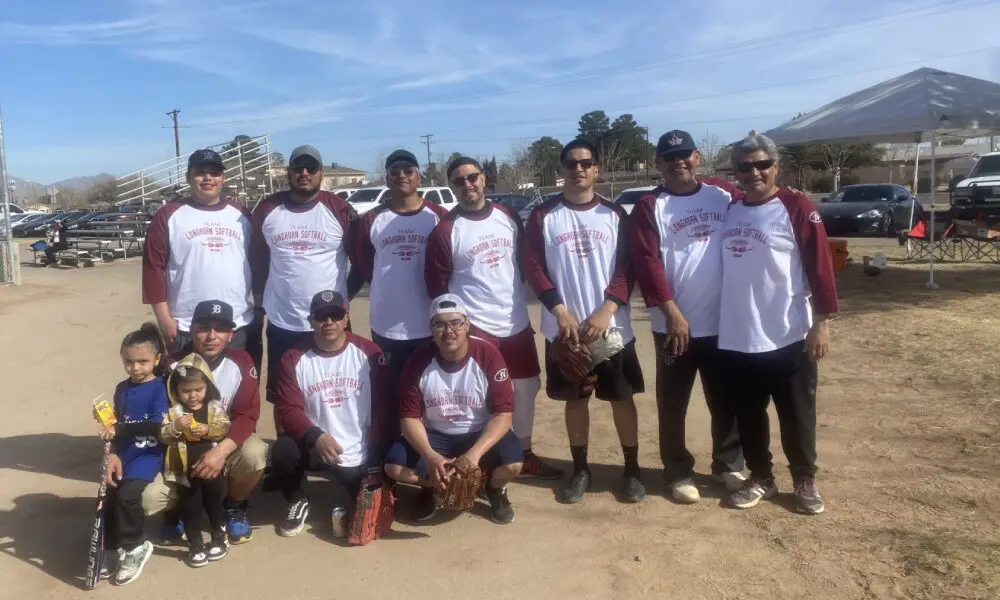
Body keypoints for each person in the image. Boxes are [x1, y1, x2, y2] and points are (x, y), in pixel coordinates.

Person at [719, 133, 838, 515]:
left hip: (788, 333)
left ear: (776, 166)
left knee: (796, 414)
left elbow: (820, 266)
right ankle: (761, 477)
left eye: (761, 164)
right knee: (749, 414)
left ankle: (804, 478)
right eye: (744, 166)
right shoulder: (732, 208)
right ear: (735, 171)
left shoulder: (796, 206)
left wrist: (821, 322)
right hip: (741, 332)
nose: (754, 172)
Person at [522, 139, 645, 505]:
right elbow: (533, 266)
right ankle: (581, 470)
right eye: (571, 164)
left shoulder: (614, 214)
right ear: (561, 170)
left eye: (586, 163)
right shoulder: (543, 215)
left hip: (610, 327)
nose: (579, 169)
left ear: (596, 169)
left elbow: (628, 266)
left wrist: (608, 308)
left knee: (621, 399)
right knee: (575, 400)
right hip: (566, 331)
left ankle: (633, 470)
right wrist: (559, 311)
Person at [424, 155, 562, 480]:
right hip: (477, 328)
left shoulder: (508, 216)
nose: (467, 185)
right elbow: (436, 286)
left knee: (526, 388)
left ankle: (524, 454)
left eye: (472, 177)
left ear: (484, 178)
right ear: (452, 187)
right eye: (459, 181)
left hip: (514, 322)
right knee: (480, 397)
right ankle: (480, 459)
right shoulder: (447, 229)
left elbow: (522, 265)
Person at [630, 130, 745, 504]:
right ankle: (677, 470)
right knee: (673, 402)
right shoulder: (651, 206)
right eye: (669, 156)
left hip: (721, 323)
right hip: (673, 326)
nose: (678, 161)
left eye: (684, 154)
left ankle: (728, 464)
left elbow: (759, 212)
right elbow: (647, 264)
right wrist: (671, 311)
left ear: (697, 156)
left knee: (726, 399)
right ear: (658, 163)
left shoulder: (723, 194)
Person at [384, 294, 523, 524]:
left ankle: (492, 489)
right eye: (439, 324)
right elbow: (409, 418)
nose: (448, 331)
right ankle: (432, 487)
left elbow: (503, 416)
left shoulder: (488, 355)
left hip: (478, 432)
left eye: (455, 323)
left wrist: (472, 456)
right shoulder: (418, 360)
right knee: (393, 467)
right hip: (435, 434)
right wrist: (430, 457)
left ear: (467, 325)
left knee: (513, 465)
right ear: (431, 329)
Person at [251, 145, 362, 413]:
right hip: (282, 321)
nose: (304, 173)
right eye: (297, 168)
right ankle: (286, 452)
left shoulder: (339, 210)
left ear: (321, 173)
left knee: (335, 392)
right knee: (283, 396)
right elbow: (256, 258)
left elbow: (362, 262)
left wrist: (343, 298)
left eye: (311, 168)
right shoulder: (267, 209)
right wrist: (258, 301)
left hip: (329, 321)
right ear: (288, 172)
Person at [144, 300, 265, 546]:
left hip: (222, 439)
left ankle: (234, 506)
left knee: (255, 453)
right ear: (191, 330)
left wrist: (219, 452)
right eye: (203, 327)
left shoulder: (242, 362)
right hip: (181, 449)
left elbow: (247, 416)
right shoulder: (171, 365)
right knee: (149, 499)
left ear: (231, 334)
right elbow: (157, 417)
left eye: (220, 328)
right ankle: (176, 510)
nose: (212, 336)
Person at [271, 290, 389, 538]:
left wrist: (376, 455)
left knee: (368, 516)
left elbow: (384, 405)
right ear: (311, 320)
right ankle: (297, 499)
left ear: (346, 317)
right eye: (321, 316)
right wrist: (317, 436)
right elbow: (288, 409)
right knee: (283, 450)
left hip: (359, 448)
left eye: (335, 315)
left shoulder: (369, 352)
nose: (328, 322)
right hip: (316, 445)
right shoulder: (293, 358)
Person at [351, 149, 448, 435]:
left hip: (430, 324)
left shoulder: (437, 217)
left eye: (408, 170)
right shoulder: (372, 220)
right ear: (387, 178)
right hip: (387, 325)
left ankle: (429, 449)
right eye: (395, 172)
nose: (402, 176)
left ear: (419, 175)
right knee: (390, 393)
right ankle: (392, 449)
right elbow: (364, 266)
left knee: (431, 391)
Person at [143, 149, 255, 353]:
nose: (208, 178)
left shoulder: (241, 215)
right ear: (188, 177)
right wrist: (164, 319)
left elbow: (257, 263)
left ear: (223, 178)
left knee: (239, 385)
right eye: (200, 172)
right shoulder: (168, 215)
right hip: (186, 327)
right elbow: (153, 269)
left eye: (214, 172)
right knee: (188, 386)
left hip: (236, 325)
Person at [100, 323, 170, 586]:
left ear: (157, 359)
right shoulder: (121, 388)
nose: (135, 368)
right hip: (125, 454)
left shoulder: (160, 387)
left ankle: (135, 546)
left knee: (129, 496)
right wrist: (113, 450)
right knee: (109, 496)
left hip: (148, 455)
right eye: (129, 362)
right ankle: (111, 546)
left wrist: (119, 428)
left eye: (142, 361)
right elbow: (115, 425)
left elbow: (156, 425)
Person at [160, 354, 231, 566]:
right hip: (184, 473)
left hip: (211, 471)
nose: (193, 396)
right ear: (176, 391)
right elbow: (163, 434)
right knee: (190, 508)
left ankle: (219, 537)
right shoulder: (175, 413)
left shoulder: (214, 408)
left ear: (207, 387)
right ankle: (195, 544)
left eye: (198, 390)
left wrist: (209, 429)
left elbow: (225, 427)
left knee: (214, 504)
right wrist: (176, 427)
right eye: (186, 391)